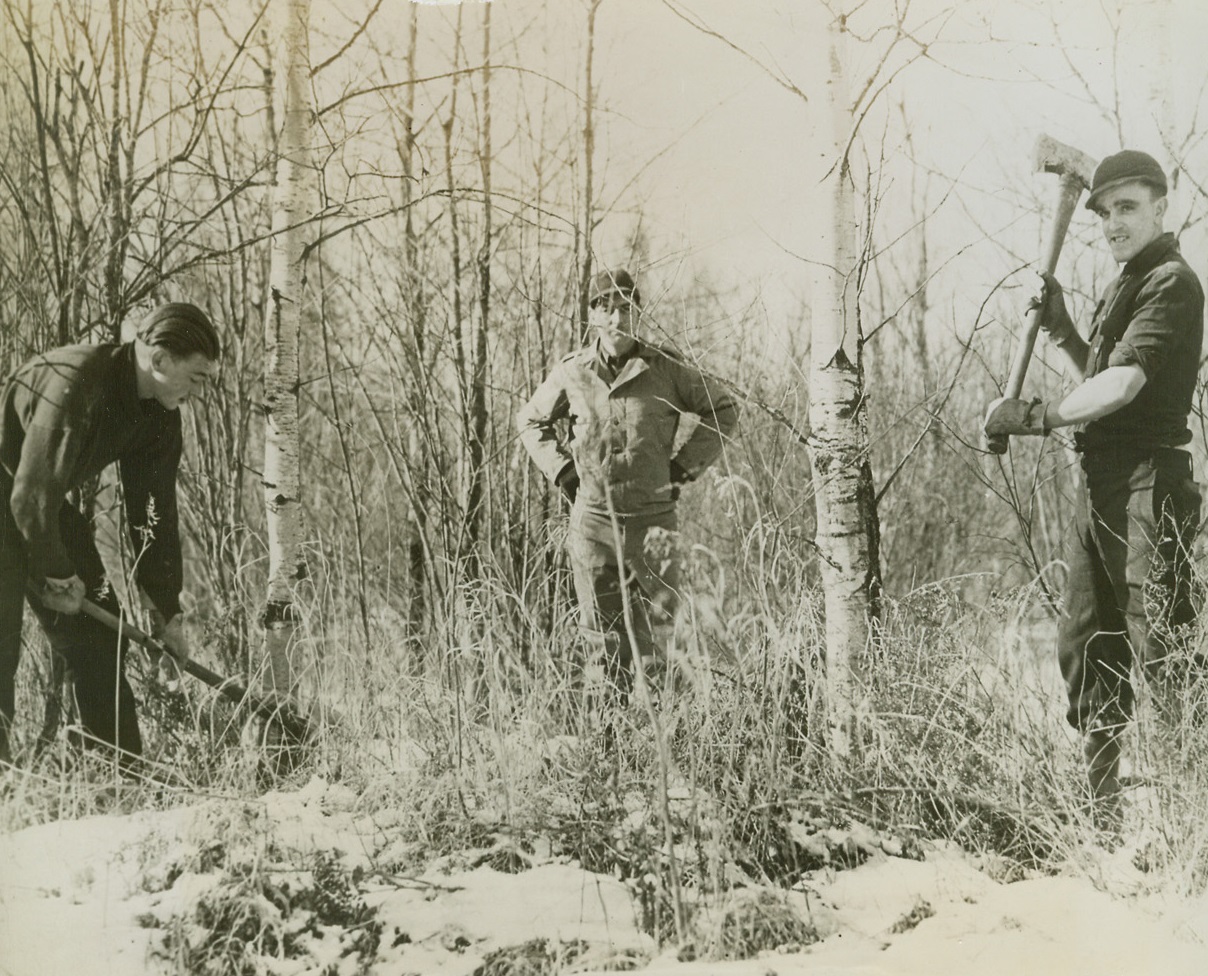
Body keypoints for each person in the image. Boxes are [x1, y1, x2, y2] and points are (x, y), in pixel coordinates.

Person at [983, 150, 1204, 817]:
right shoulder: (1126, 283)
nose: (1112, 223)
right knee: (1088, 643)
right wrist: (1062, 330)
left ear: (1161, 206)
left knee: (1161, 644)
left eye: (1127, 207)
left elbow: (1125, 384)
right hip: (1100, 483)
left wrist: (1035, 415)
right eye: (1104, 212)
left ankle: (1195, 812)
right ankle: (1101, 805)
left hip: (1147, 484)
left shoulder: (1170, 282)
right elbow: (1099, 372)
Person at [0, 303, 221, 764]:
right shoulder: (77, 382)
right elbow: (29, 498)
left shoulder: (160, 413)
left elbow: (153, 512)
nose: (197, 392)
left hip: (40, 506)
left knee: (101, 637)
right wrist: (57, 573)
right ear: (159, 360)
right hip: (19, 495)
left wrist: (166, 612)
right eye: (196, 378)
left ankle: (121, 780)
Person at [518, 269, 739, 700]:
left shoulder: (668, 369)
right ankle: (610, 750)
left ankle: (667, 753)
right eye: (607, 310)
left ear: (638, 314)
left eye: (626, 309)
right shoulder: (573, 373)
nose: (618, 319)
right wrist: (563, 472)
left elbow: (724, 409)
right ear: (592, 317)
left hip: (654, 527)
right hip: (593, 527)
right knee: (603, 647)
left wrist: (682, 468)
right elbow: (530, 421)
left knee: (662, 645)